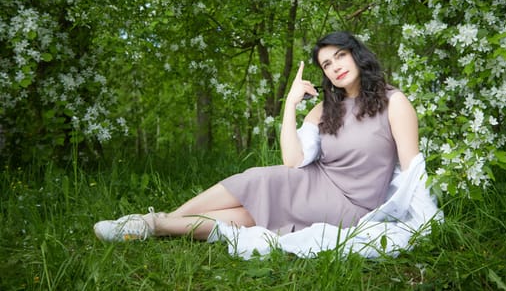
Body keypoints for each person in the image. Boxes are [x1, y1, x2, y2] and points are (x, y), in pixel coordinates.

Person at [93, 31, 419, 242]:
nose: (335, 67)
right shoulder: (324, 109)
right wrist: (290, 105)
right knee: (254, 187)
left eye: (341, 56)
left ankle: (152, 223)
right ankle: (154, 224)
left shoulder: (395, 103)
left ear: (356, 54)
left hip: (352, 205)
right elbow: (292, 161)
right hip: (314, 181)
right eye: (327, 64)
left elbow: (411, 171)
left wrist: (420, 218)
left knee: (260, 206)